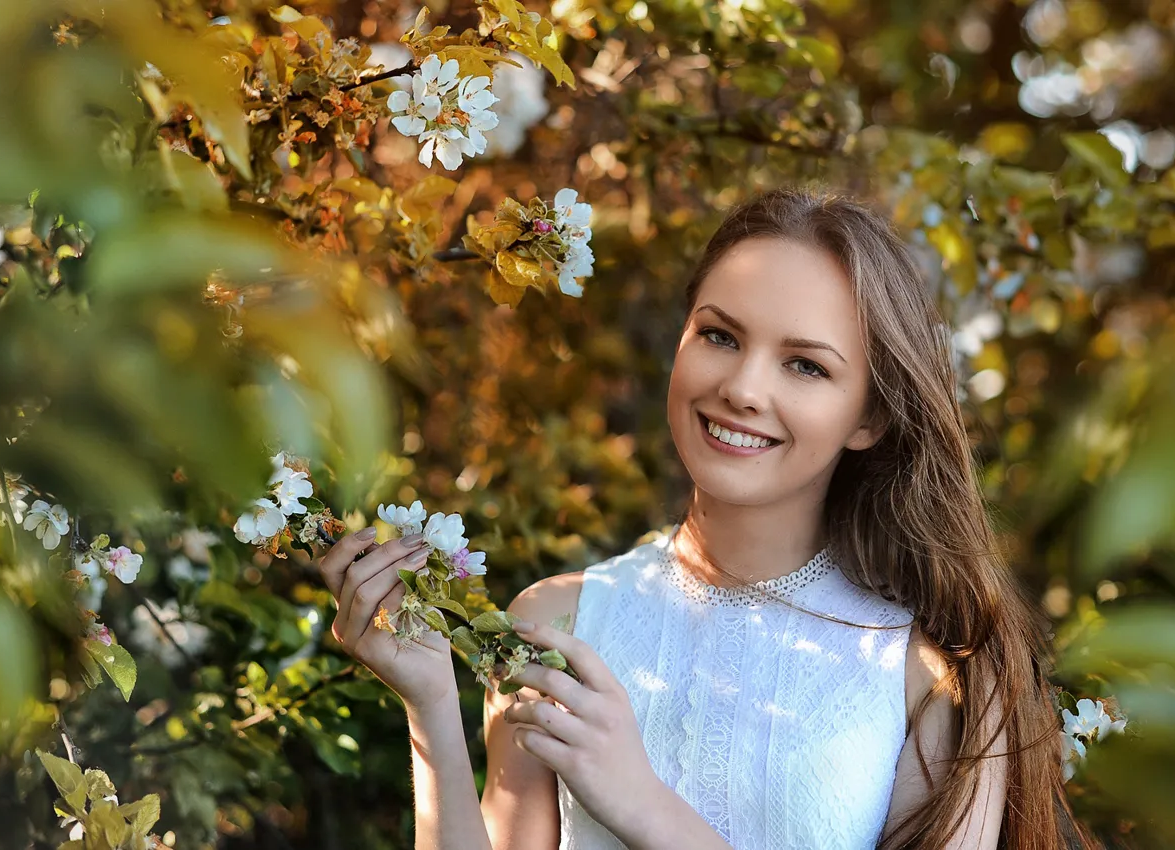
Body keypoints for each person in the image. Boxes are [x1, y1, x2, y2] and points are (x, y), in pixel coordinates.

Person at [320, 188, 1095, 849]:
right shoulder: (560, 622)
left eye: (805, 365)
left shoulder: (930, 672)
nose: (744, 389)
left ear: (870, 417)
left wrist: (645, 806)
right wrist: (429, 705)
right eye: (720, 336)